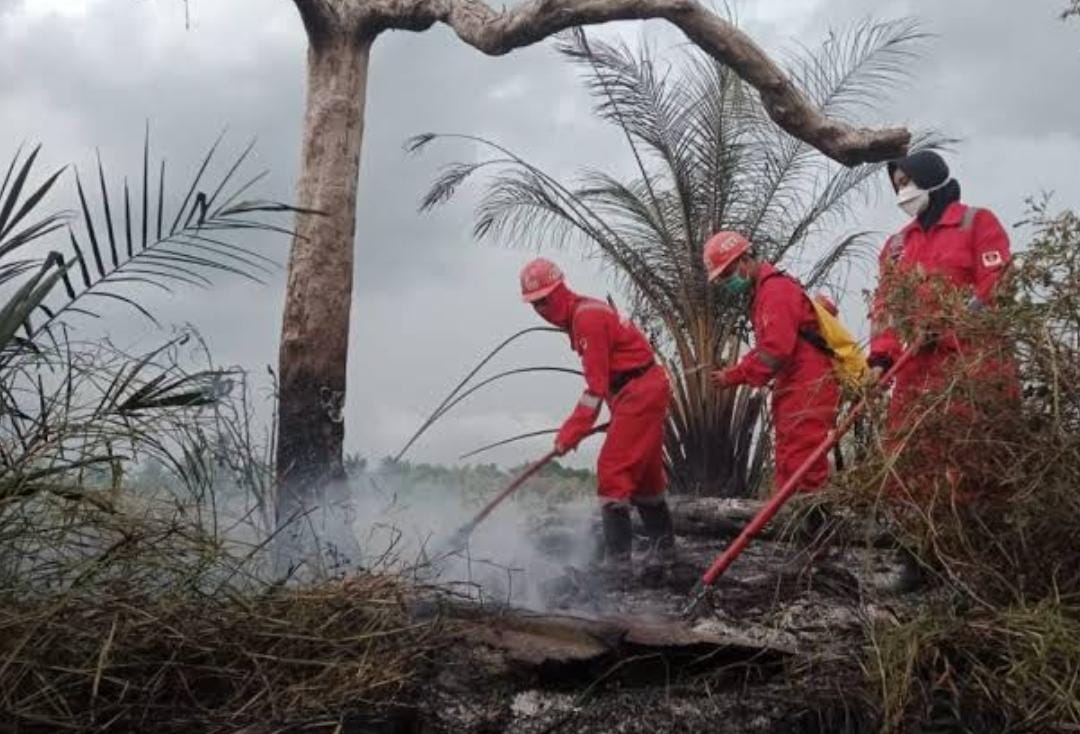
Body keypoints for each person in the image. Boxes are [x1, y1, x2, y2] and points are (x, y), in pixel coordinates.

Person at [868, 151, 1016, 494]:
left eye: (907, 182)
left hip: (972, 369)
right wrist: (880, 357)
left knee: (972, 462)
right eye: (897, 186)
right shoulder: (896, 246)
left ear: (930, 176)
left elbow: (997, 286)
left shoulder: (977, 223)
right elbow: (885, 309)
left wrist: (949, 325)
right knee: (908, 462)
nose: (903, 192)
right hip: (915, 374)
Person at [520, 257, 675, 573]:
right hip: (638, 391)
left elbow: (595, 388)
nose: (541, 310)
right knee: (645, 475)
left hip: (639, 392)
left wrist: (570, 433)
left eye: (545, 300)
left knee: (612, 471)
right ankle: (664, 551)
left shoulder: (586, 319)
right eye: (535, 304)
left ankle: (618, 564)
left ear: (561, 289)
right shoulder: (584, 313)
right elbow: (606, 384)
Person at [704, 232, 841, 495]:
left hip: (808, 385)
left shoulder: (775, 290)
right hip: (796, 385)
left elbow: (775, 352)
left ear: (744, 260)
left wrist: (733, 375)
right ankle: (793, 526)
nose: (724, 282)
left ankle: (810, 529)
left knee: (804, 467)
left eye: (726, 274)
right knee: (790, 462)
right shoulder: (766, 291)